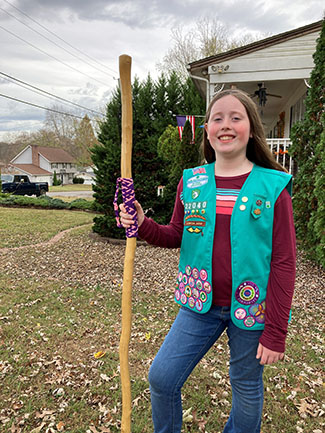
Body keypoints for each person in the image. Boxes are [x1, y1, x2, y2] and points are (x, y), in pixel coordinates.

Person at [119, 89, 296, 433]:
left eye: (236, 117)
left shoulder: (273, 187)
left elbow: (284, 263)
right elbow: (175, 234)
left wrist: (276, 331)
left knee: (245, 386)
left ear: (251, 128)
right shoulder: (193, 182)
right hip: (198, 303)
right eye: (217, 118)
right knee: (162, 377)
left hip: (251, 307)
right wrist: (142, 224)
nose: (226, 125)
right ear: (206, 130)